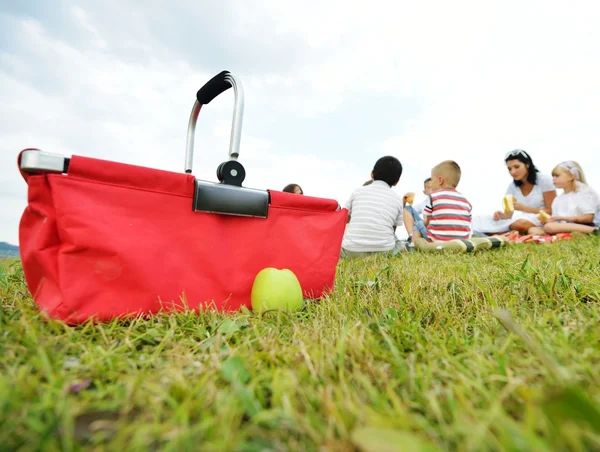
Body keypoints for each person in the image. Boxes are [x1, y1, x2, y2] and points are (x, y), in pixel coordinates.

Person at [471, 150, 557, 235]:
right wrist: (501, 215)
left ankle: (501, 233)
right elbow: (509, 214)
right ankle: (507, 232)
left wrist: (525, 208)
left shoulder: (544, 180)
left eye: (517, 167)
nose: (513, 172)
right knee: (477, 220)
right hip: (523, 218)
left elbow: (550, 211)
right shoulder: (512, 186)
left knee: (519, 224)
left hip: (542, 218)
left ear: (527, 164)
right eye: (509, 169)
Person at [341, 156, 404, 258]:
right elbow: (393, 229)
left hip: (351, 251)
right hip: (384, 252)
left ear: (372, 174)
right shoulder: (397, 199)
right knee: (397, 242)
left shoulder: (358, 192)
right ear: (397, 181)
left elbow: (344, 218)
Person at [528, 161, 600, 236]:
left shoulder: (583, 192)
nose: (553, 179)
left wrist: (563, 219)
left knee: (549, 227)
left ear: (571, 176)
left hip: (585, 225)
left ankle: (594, 231)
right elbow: (556, 219)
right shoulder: (558, 199)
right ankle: (571, 234)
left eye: (557, 176)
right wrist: (548, 220)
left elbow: (589, 218)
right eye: (553, 176)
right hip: (563, 225)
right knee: (532, 229)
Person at [412, 160, 472, 242]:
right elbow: (468, 222)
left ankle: (414, 246)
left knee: (419, 224)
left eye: (432, 180)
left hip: (437, 241)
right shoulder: (466, 202)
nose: (431, 184)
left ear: (440, 180)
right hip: (461, 242)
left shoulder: (433, 197)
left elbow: (427, 222)